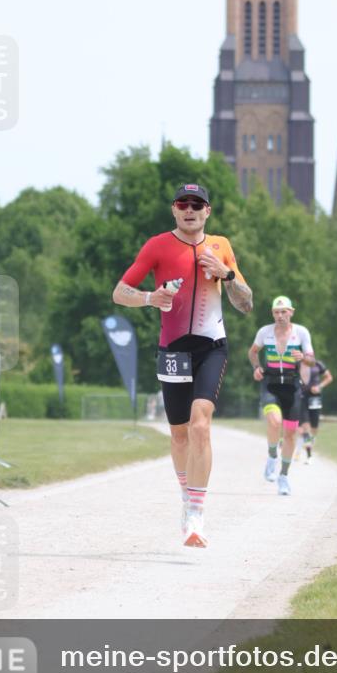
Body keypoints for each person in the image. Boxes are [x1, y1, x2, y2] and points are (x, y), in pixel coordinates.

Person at [113, 183, 252, 547]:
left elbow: (246, 304)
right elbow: (119, 291)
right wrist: (148, 297)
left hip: (211, 346)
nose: (190, 209)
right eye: (183, 203)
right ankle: (186, 496)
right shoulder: (157, 245)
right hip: (173, 349)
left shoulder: (220, 246)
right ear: (174, 210)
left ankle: (196, 513)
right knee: (178, 435)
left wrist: (228, 275)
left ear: (208, 211)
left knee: (200, 425)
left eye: (197, 204)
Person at [248, 296, 314, 495]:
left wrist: (303, 357)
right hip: (271, 384)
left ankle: (283, 477)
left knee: (291, 433)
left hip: (293, 387)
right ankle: (271, 456)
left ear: (291, 312)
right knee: (275, 422)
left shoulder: (301, 332)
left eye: (284, 311)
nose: (280, 316)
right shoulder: (264, 332)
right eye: (276, 312)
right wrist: (257, 367)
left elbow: (312, 360)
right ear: (272, 314)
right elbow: (252, 352)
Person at [297, 357, 333, 463]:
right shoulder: (298, 364)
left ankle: (306, 447)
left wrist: (319, 386)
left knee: (314, 428)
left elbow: (329, 377)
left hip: (315, 398)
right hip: (302, 397)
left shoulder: (318, 364)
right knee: (305, 426)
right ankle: (309, 454)